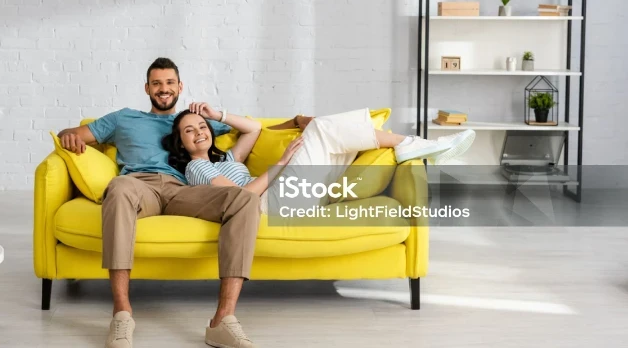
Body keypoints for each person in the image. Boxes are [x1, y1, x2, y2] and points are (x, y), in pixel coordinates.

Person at [56, 58, 263, 348]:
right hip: (140, 186)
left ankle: (223, 320)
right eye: (156, 84)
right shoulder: (123, 118)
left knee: (244, 198)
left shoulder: (190, 120)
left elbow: (256, 128)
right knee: (118, 187)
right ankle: (122, 314)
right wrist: (69, 136)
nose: (163, 89)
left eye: (169, 83)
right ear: (147, 88)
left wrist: (296, 123)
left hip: (186, 189)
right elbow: (69, 133)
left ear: (180, 87)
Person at [163, 103, 475, 201]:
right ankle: (416, 145)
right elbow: (242, 197)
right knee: (320, 129)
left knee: (330, 134)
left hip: (292, 196)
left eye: (202, 126)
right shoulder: (197, 169)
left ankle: (417, 147)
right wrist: (283, 163)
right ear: (181, 143)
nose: (199, 132)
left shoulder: (227, 159)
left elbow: (254, 129)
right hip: (270, 205)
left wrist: (217, 114)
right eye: (189, 131)